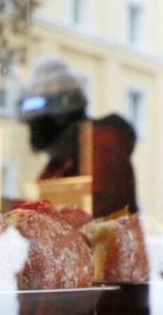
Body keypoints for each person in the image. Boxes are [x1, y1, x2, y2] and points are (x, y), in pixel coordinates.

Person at [17, 57, 139, 216]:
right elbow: (34, 207)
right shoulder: (61, 160)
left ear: (59, 117)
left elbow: (97, 212)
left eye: (36, 123)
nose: (33, 132)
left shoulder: (100, 144)